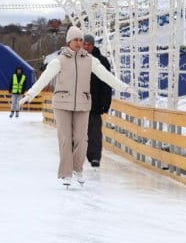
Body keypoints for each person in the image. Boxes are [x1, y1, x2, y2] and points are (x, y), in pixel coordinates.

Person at [20, 26, 133, 187]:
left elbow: (106, 76)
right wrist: (31, 94)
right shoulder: (59, 60)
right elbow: (44, 78)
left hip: (82, 103)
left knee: (81, 139)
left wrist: (124, 87)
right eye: (76, 40)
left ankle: (77, 168)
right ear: (69, 41)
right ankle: (66, 173)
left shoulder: (90, 60)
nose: (79, 42)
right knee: (65, 139)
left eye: (81, 40)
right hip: (62, 104)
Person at [83, 34, 113, 168]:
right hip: (78, 103)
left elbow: (107, 83)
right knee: (77, 132)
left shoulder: (102, 61)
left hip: (95, 104)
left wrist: (105, 104)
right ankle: (76, 156)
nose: (86, 46)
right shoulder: (76, 60)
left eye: (89, 44)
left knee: (94, 132)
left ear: (93, 45)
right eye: (84, 44)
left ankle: (94, 156)